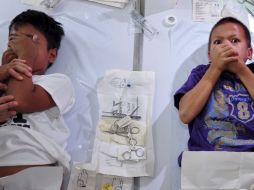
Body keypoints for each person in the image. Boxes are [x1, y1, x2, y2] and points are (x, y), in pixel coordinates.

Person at [0, 9, 75, 182]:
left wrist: (25, 55)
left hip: (35, 174)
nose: (17, 47)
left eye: (30, 41)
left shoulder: (57, 82)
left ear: (52, 54)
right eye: (12, 41)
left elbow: (19, 101)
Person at [174, 17, 254, 157]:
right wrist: (215, 68)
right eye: (218, 42)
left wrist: (242, 70)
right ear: (210, 55)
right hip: (207, 161)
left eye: (235, 40)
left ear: (249, 53)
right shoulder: (201, 74)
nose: (226, 46)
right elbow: (185, 114)